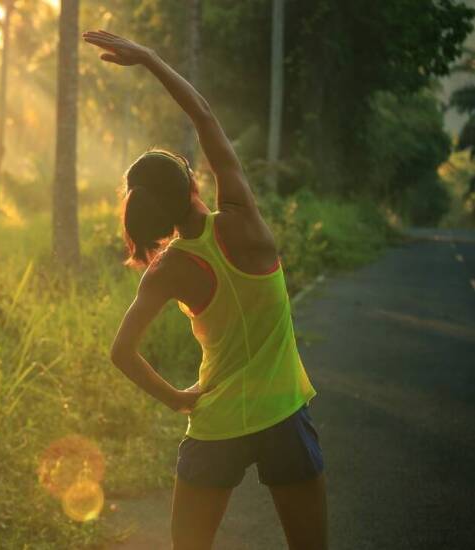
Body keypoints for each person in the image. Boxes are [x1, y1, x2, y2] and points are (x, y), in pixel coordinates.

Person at [82, 30, 327, 550]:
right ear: (194, 183)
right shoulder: (243, 220)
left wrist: (177, 399)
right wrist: (149, 58)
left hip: (215, 423)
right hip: (284, 412)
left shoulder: (166, 270)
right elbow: (204, 117)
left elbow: (121, 352)